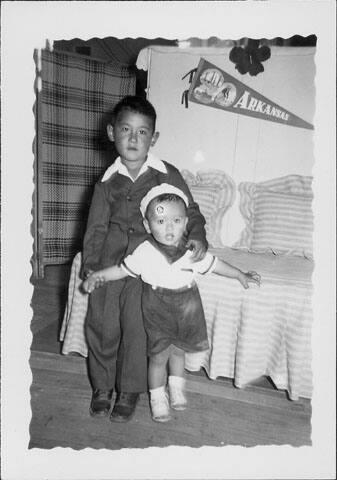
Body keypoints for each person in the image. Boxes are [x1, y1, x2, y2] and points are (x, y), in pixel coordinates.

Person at [82, 184, 261, 423]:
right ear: (147, 225)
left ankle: (176, 388)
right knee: (158, 356)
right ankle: (157, 398)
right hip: (157, 310)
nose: (169, 228)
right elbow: (121, 270)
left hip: (187, 309)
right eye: (160, 221)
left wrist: (240, 274)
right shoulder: (144, 251)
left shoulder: (192, 251)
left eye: (176, 220)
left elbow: (216, 264)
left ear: (186, 222)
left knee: (178, 352)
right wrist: (98, 276)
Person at [82, 96, 208, 422]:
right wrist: (91, 266)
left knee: (138, 329)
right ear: (112, 133)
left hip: (148, 269)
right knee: (103, 325)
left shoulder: (166, 174)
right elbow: (95, 227)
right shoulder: (106, 181)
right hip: (110, 265)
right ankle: (102, 386)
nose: (134, 139)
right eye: (126, 130)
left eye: (142, 132)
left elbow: (190, 211)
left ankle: (129, 390)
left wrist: (197, 236)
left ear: (154, 138)